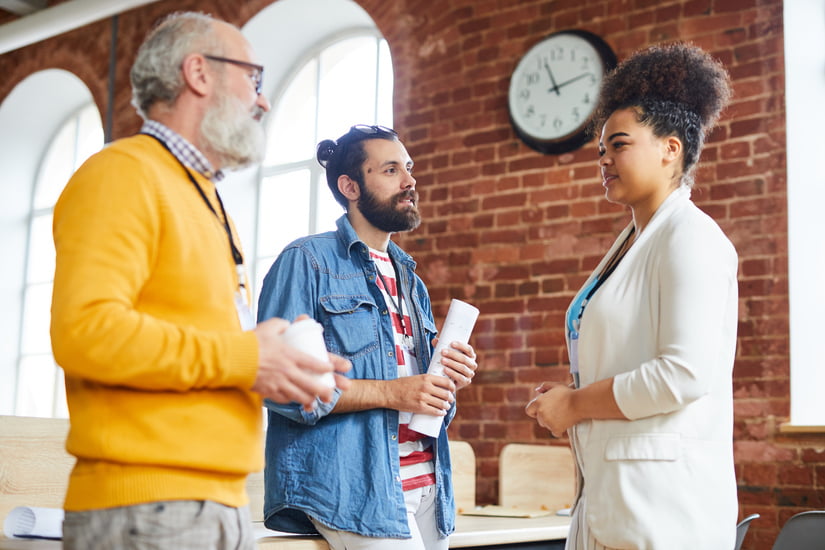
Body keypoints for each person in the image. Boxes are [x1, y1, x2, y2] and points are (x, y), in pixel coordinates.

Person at [50, 12, 349, 550]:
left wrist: (279, 360)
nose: (264, 101)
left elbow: (207, 347)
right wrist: (246, 358)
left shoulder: (205, 199)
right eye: (253, 79)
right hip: (148, 508)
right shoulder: (122, 174)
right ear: (199, 73)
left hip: (214, 504)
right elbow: (84, 331)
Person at [525, 43, 737, 550]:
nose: (603, 158)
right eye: (600, 148)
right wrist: (572, 394)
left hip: (663, 512)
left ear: (671, 148)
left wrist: (575, 404)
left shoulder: (692, 237)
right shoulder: (633, 244)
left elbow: (682, 375)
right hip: (611, 499)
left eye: (618, 144)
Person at [257, 124, 479, 549]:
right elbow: (284, 390)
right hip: (356, 493)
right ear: (350, 186)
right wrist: (394, 392)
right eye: (391, 170)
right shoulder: (305, 261)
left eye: (409, 168)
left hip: (430, 489)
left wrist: (447, 381)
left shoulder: (411, 280)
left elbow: (418, 399)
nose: (410, 181)